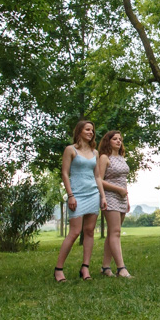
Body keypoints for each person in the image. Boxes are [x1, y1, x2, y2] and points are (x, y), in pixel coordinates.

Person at [54, 120, 106, 282]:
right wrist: (70, 195)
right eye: (87, 129)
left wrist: (102, 196)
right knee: (75, 232)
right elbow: (64, 173)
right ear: (79, 131)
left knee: (89, 231)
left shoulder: (95, 152)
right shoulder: (70, 150)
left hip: (93, 194)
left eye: (92, 130)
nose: (91, 132)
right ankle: (58, 269)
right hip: (77, 195)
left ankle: (85, 268)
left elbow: (97, 176)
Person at [96, 130, 132, 278]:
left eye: (120, 139)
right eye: (115, 139)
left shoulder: (122, 158)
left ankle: (105, 267)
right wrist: (118, 190)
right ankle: (121, 268)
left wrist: (127, 198)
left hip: (122, 197)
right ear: (108, 141)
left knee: (112, 233)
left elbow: (123, 180)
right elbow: (99, 179)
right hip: (109, 196)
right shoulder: (104, 157)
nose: (118, 141)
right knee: (116, 232)